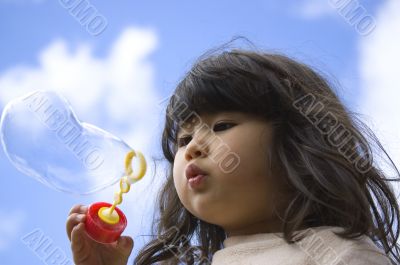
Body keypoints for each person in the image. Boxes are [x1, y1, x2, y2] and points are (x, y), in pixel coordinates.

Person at [66, 48, 400, 265]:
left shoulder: (339, 255)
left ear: (300, 143)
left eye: (222, 125)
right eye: (183, 140)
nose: (192, 147)